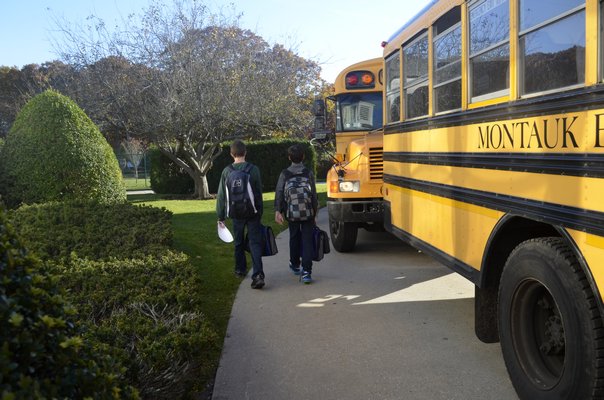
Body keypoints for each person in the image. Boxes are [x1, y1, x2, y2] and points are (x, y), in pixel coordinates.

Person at [216, 139, 265, 289]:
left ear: (231, 154)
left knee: (238, 242)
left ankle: (240, 270)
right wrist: (259, 212)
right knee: (255, 243)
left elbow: (221, 196)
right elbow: (258, 193)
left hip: (236, 213)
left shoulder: (227, 171)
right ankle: (258, 275)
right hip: (252, 212)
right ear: (245, 152)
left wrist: (221, 216)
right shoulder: (253, 169)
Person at [274, 144, 319, 284]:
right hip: (308, 212)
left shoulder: (285, 174)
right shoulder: (308, 173)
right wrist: (315, 212)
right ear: (303, 157)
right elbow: (314, 194)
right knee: (306, 240)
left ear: (289, 158)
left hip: (291, 212)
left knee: (294, 237)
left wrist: (278, 210)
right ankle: (307, 272)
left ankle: (294, 264)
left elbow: (279, 192)